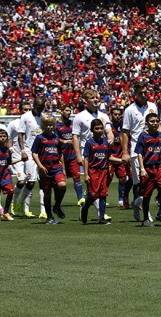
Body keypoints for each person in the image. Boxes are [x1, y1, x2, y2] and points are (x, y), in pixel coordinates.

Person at [72, 89, 114, 221]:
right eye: (92, 98)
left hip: (102, 154)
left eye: (97, 97)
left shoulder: (103, 115)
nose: (96, 100)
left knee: (103, 188)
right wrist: (78, 155)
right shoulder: (79, 117)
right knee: (93, 189)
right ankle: (95, 210)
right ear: (85, 101)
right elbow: (75, 137)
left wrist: (111, 135)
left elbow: (108, 130)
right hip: (88, 156)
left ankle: (100, 214)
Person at [121, 81, 158, 219]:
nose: (144, 95)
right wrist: (125, 152)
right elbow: (125, 132)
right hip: (137, 150)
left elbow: (157, 127)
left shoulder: (153, 106)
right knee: (141, 181)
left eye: (145, 92)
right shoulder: (130, 110)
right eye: (141, 93)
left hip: (153, 149)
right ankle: (145, 212)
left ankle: (137, 203)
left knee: (155, 181)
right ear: (135, 94)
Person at [134, 113, 161, 227]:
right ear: (146, 124)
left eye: (156, 121)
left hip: (159, 166)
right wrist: (142, 168)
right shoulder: (143, 136)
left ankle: (160, 213)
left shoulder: (160, 135)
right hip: (148, 168)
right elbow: (139, 153)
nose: (155, 124)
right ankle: (145, 218)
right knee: (147, 194)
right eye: (152, 121)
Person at [81, 119, 120, 225]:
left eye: (101, 128)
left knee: (103, 195)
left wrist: (121, 160)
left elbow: (109, 157)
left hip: (104, 171)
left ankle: (101, 218)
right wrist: (86, 174)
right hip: (93, 171)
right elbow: (86, 159)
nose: (99, 130)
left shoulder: (105, 142)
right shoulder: (89, 143)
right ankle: (85, 208)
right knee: (93, 195)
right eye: (96, 128)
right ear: (92, 130)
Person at [31, 114, 67, 225]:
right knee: (47, 193)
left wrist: (63, 168)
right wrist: (40, 166)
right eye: (46, 125)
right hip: (45, 169)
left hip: (56, 167)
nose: (49, 127)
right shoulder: (39, 138)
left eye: (51, 125)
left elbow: (60, 153)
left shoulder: (56, 138)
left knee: (62, 185)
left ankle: (56, 206)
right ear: (43, 125)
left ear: (54, 125)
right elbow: (34, 153)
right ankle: (49, 217)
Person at [17, 96, 46, 218]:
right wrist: (22, 150)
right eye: (38, 106)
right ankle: (20, 203)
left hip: (42, 151)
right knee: (31, 182)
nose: (39, 109)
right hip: (29, 151)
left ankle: (43, 210)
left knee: (44, 181)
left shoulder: (44, 117)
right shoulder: (26, 116)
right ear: (34, 105)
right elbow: (20, 134)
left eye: (42, 107)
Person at [9, 100, 32, 217]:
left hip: (29, 155)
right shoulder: (14, 124)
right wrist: (10, 149)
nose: (27, 112)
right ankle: (14, 203)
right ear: (20, 110)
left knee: (30, 181)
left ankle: (25, 208)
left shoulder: (32, 121)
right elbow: (8, 138)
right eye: (25, 109)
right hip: (17, 155)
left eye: (29, 109)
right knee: (21, 181)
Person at [57, 104, 83, 205]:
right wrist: (64, 141)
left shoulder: (73, 124)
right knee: (60, 180)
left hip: (72, 155)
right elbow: (54, 139)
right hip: (61, 156)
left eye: (69, 111)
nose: (68, 112)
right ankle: (58, 202)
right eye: (66, 110)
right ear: (61, 111)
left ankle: (80, 199)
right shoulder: (57, 125)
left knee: (77, 177)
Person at [108, 104, 131, 210]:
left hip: (121, 157)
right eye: (115, 114)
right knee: (107, 179)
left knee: (122, 179)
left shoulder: (124, 127)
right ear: (111, 115)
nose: (117, 116)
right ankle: (98, 196)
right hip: (110, 158)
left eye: (119, 114)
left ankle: (121, 200)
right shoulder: (108, 127)